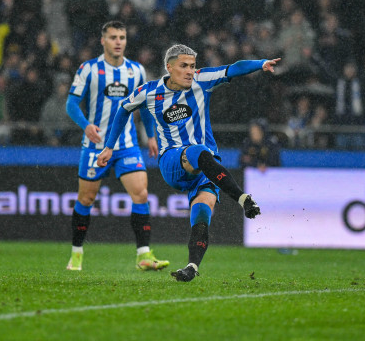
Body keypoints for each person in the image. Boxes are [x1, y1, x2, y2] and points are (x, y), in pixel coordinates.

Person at [97, 44, 279, 282]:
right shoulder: (150, 92)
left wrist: (260, 63)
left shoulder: (202, 80)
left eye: (192, 66)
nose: (189, 71)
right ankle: (243, 199)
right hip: (173, 160)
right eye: (183, 66)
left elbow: (234, 68)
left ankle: (192, 266)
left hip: (206, 167)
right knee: (198, 151)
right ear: (169, 67)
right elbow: (123, 110)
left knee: (203, 212)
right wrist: (109, 146)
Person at [65, 20, 168, 272]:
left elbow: (143, 105)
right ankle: (76, 253)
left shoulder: (136, 71)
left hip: (127, 145)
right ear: (103, 41)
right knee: (86, 198)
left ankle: (143, 255)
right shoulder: (88, 69)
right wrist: (86, 125)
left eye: (122, 37)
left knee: (141, 194)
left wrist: (151, 135)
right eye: (113, 37)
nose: (118, 41)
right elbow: (71, 104)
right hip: (95, 145)